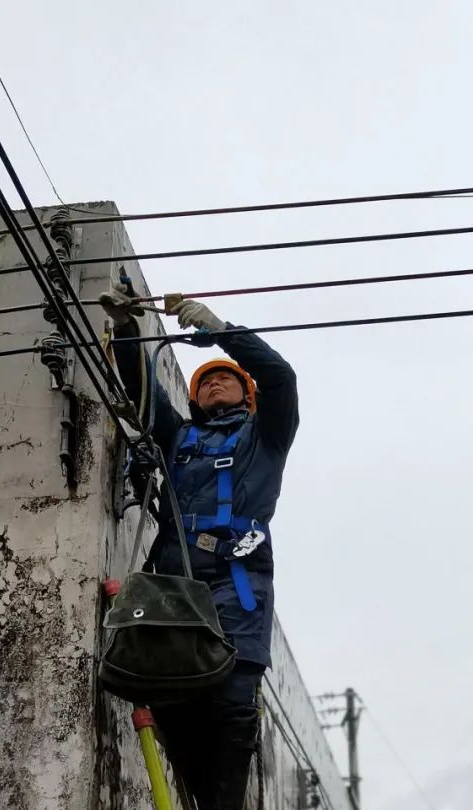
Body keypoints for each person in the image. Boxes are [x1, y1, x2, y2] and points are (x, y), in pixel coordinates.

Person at [101, 288, 299, 810]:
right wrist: (125, 330)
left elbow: (281, 378)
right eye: (205, 380)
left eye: (226, 378)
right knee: (172, 701)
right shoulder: (179, 437)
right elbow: (142, 395)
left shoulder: (267, 435)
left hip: (238, 583)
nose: (214, 381)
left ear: (246, 395)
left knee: (232, 704)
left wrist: (218, 331)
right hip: (176, 582)